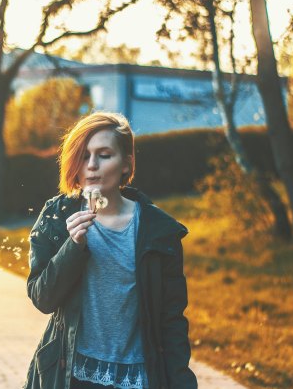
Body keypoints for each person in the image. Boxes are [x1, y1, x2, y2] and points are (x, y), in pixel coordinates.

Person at [23, 112, 197, 389]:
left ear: (126, 165)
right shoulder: (57, 215)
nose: (92, 166)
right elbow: (42, 298)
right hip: (71, 374)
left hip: (137, 378)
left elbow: (171, 320)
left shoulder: (159, 231)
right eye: (83, 155)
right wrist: (73, 246)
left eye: (104, 155)